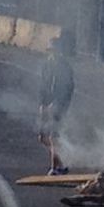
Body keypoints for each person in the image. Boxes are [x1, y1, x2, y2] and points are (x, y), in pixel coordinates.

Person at [38, 34, 74, 176]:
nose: (53, 53)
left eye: (55, 50)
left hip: (58, 106)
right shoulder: (47, 64)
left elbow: (68, 88)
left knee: (53, 136)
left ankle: (55, 168)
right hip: (46, 104)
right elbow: (43, 86)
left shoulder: (64, 67)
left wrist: (58, 104)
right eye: (51, 50)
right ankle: (62, 163)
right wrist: (42, 104)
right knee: (42, 138)